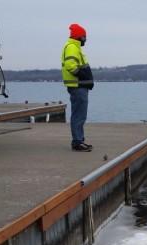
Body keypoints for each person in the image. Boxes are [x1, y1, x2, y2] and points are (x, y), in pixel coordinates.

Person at [61, 23, 94, 151]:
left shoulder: (75, 47)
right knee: (78, 115)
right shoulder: (72, 47)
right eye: (84, 36)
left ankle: (80, 140)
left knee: (80, 115)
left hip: (79, 86)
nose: (85, 39)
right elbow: (71, 66)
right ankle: (77, 142)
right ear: (79, 36)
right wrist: (83, 76)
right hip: (77, 87)